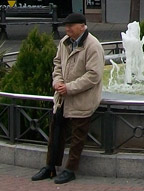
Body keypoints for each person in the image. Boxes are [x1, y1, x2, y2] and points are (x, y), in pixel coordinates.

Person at [31, 12, 104, 185]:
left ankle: (70, 169)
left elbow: (94, 75)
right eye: (66, 26)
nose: (67, 29)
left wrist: (69, 88)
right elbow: (57, 63)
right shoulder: (65, 42)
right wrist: (57, 81)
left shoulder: (93, 46)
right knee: (55, 131)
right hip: (62, 97)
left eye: (71, 26)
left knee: (78, 135)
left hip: (82, 98)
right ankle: (50, 166)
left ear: (82, 26)